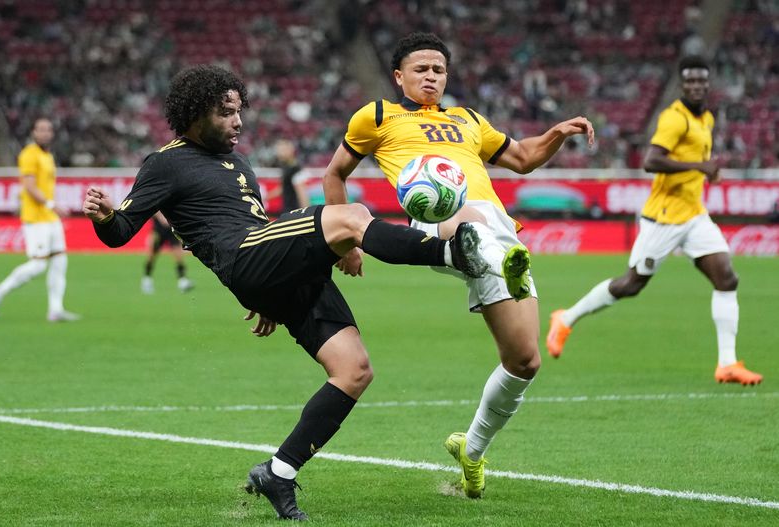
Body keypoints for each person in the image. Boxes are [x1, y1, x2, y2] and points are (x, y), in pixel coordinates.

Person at [82, 64, 503, 521]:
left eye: (239, 111)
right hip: (246, 259)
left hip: (268, 266)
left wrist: (270, 295)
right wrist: (104, 215)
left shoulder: (238, 163)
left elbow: (259, 227)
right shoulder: (165, 163)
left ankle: (278, 472)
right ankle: (453, 254)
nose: (238, 121)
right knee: (350, 214)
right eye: (226, 112)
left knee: (353, 370)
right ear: (195, 113)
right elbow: (121, 231)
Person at [323, 32, 595, 499]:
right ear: (399, 76)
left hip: (499, 226)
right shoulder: (378, 116)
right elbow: (334, 174)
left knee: (525, 360)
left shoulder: (467, 119)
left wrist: (556, 133)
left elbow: (523, 158)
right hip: (436, 221)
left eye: (439, 70)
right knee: (468, 220)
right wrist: (346, 246)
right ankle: (495, 257)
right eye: (421, 69)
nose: (431, 76)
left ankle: (472, 447)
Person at [546, 56, 763, 386]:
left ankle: (728, 364)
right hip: (664, 218)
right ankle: (566, 318)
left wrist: (705, 170)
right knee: (631, 284)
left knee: (727, 279)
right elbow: (651, 161)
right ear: (681, 84)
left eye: (701, 81)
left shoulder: (706, 117)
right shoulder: (673, 119)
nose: (695, 86)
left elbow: (692, 161)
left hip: (694, 214)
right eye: (689, 81)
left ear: (708, 83)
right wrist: (699, 167)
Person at [0, 118, 79, 322]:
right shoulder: (29, 154)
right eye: (41, 129)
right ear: (33, 132)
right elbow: (29, 186)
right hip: (36, 217)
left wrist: (51, 208)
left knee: (59, 260)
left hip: (50, 217)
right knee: (38, 265)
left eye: (48, 129)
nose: (45, 133)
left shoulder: (47, 155)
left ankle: (55, 310)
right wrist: (51, 205)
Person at [141, 211, 194, 294]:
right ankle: (147, 279)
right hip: (159, 229)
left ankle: (182, 280)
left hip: (171, 228)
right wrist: (161, 217)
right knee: (152, 255)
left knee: (178, 254)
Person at [266, 139, 310, 214]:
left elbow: (302, 194)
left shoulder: (296, 170)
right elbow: (283, 188)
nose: (279, 153)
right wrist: (263, 197)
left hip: (294, 212)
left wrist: (306, 214)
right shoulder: (286, 168)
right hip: (287, 211)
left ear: (290, 151)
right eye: (278, 150)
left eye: (282, 150)